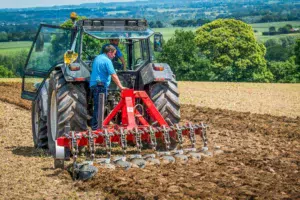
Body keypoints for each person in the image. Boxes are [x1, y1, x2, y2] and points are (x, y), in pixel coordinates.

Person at [90, 45, 125, 130]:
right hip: (101, 85)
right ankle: (96, 128)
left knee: (97, 105)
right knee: (99, 107)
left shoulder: (97, 58)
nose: (114, 56)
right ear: (109, 52)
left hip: (94, 84)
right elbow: (113, 75)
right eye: (113, 54)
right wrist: (121, 87)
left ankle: (96, 126)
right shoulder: (107, 61)